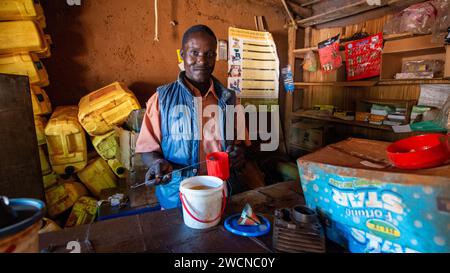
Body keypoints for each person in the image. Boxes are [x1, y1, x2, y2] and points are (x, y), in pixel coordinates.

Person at [135, 25, 249, 209]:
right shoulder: (161, 99)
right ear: (182, 54)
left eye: (210, 54)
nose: (202, 61)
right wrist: (157, 162)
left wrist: (239, 155)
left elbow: (241, 144)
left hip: (220, 192)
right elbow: (147, 149)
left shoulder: (229, 99)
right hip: (177, 196)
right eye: (194, 52)